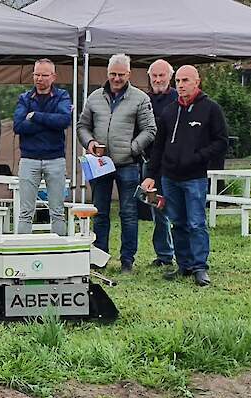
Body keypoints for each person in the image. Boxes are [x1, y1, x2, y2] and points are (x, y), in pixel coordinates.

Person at [142, 65, 228, 287]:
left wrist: (198, 157)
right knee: (177, 222)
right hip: (170, 178)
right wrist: (152, 174)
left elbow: (221, 142)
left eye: (185, 80)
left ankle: (200, 267)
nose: (180, 85)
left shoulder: (210, 109)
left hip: (194, 177)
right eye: (178, 81)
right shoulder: (169, 112)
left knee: (196, 222)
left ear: (197, 82)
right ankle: (184, 264)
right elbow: (158, 146)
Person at [78, 53, 156, 273]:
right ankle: (99, 257)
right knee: (100, 212)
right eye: (113, 74)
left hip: (128, 164)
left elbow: (150, 130)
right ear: (107, 73)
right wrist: (90, 142)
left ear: (129, 74)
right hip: (100, 164)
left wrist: (132, 148)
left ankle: (127, 261)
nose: (117, 78)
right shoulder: (94, 97)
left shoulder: (140, 98)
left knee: (129, 214)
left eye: (121, 74)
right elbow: (82, 126)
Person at [11, 58, 72, 237]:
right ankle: (23, 252)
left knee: (57, 212)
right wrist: (49, 122)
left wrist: (36, 116)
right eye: (37, 74)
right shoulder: (24, 98)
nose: (40, 79)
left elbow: (64, 121)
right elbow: (18, 126)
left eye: (44, 75)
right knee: (25, 213)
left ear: (53, 76)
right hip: (29, 159)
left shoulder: (62, 96)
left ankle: (60, 254)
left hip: (55, 159)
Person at [144, 59, 178, 267]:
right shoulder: (144, 99)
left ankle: (180, 253)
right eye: (154, 76)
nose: (157, 80)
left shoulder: (176, 98)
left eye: (161, 75)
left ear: (170, 77)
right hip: (150, 163)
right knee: (157, 209)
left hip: (173, 163)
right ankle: (164, 255)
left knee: (175, 211)